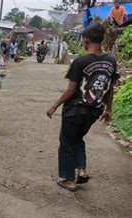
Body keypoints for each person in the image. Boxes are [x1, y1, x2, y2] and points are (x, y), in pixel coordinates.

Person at [46, 23, 120, 192]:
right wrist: (108, 109)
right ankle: (82, 170)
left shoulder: (80, 61)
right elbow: (110, 87)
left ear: (86, 40)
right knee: (77, 138)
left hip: (75, 109)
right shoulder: (111, 60)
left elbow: (71, 89)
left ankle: (69, 180)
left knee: (66, 141)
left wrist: (54, 106)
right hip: (95, 111)